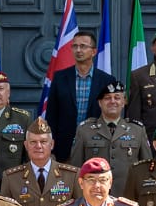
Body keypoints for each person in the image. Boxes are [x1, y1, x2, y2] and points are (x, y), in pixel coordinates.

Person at [42, 28, 116, 159]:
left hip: (97, 146)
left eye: (83, 46)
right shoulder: (60, 78)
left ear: (94, 51)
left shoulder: (107, 80)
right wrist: (50, 149)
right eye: (75, 46)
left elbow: (112, 115)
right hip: (64, 147)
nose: (78, 50)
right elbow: (52, 115)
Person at [70, 79, 151, 184]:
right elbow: (76, 169)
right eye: (107, 98)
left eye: (117, 98)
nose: (112, 101)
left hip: (128, 196)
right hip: (95, 194)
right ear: (100, 103)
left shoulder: (138, 130)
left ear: (123, 102)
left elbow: (147, 167)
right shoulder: (84, 130)